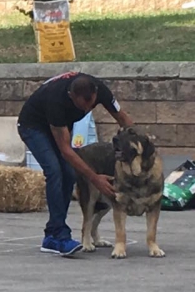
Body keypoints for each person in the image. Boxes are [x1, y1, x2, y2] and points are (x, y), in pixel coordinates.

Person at [17, 72, 133, 257]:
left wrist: (136, 148)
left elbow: (123, 119)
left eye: (91, 104)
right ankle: (59, 236)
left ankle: (52, 233)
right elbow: (66, 151)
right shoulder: (56, 100)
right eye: (82, 105)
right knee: (55, 171)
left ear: (95, 93)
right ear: (71, 96)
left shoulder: (100, 89)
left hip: (60, 126)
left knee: (69, 175)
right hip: (34, 127)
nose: (87, 109)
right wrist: (95, 178)